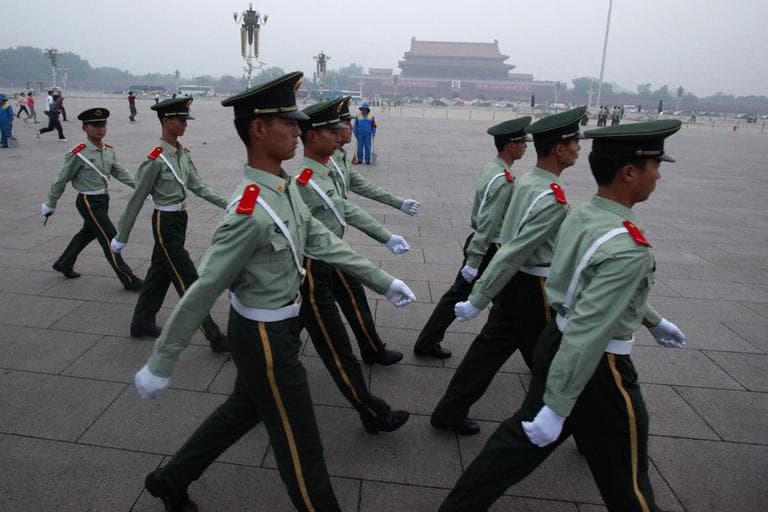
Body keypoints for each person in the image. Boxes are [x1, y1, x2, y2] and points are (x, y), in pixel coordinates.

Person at [132, 71, 416, 512]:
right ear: (259, 129)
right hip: (263, 339)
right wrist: (162, 360)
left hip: (275, 328)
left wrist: (385, 280)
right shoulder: (249, 208)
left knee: (242, 410)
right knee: (302, 446)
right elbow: (205, 285)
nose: (298, 130)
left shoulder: (281, 187)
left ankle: (171, 479)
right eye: (289, 123)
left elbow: (321, 241)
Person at [438, 120, 687, 512]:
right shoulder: (627, 244)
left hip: (558, 339)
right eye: (655, 165)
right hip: (600, 364)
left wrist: (654, 321)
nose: (658, 174)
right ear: (628, 172)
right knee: (629, 479)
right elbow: (591, 326)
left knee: (521, 440)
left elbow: (595, 290)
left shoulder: (584, 216)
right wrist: (558, 403)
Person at [430, 107, 585, 436]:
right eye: (574, 142)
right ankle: (581, 429)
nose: (578, 148)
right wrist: (479, 295)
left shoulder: (527, 181)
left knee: (489, 350)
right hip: (535, 287)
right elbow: (515, 250)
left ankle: (450, 410)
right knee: (557, 360)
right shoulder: (552, 197)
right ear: (559, 149)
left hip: (515, 284)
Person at [292, 97, 412, 434]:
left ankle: (265, 363)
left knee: (347, 302)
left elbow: (345, 206)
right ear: (313, 136)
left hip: (332, 254)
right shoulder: (304, 181)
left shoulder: (330, 165)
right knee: (335, 347)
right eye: (334, 128)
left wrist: (386, 233)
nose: (343, 131)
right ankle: (372, 412)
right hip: (313, 268)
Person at [110, 97, 229, 353]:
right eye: (181, 120)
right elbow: (136, 199)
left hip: (179, 220)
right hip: (164, 224)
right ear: (166, 121)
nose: (185, 124)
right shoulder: (155, 159)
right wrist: (122, 235)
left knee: (159, 274)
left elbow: (199, 186)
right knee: (188, 278)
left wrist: (230, 204)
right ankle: (214, 336)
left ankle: (141, 322)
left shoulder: (181, 155)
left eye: (186, 119)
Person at [413, 117, 531, 360]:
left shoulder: (492, 168)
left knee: (496, 304)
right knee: (507, 307)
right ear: (510, 145)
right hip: (489, 247)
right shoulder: (504, 181)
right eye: (522, 142)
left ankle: (427, 340)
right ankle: (536, 360)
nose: (526, 146)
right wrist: (475, 260)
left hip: (483, 244)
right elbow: (488, 223)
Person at [326, 96, 422, 361]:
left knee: (345, 298)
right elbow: (346, 209)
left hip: (330, 247)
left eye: (349, 123)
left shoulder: (340, 159)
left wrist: (399, 203)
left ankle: (371, 348)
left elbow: (363, 186)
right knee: (326, 306)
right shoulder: (324, 166)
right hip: (322, 251)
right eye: (346, 123)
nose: (351, 127)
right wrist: (386, 236)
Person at [40, 108, 143, 290]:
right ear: (85, 128)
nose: (100, 129)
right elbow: (62, 178)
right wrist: (50, 202)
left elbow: (119, 171)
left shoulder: (108, 150)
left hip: (103, 200)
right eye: (95, 126)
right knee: (110, 237)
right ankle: (129, 280)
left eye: (103, 125)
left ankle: (64, 262)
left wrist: (141, 187)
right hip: (88, 201)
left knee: (88, 232)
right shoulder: (78, 153)